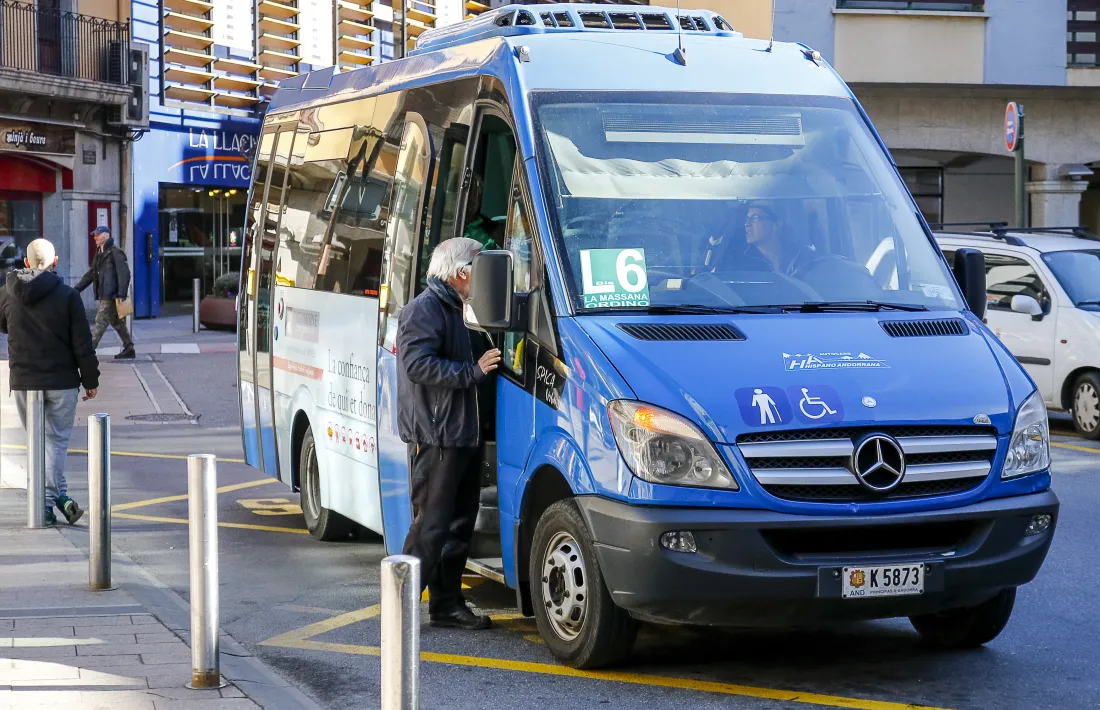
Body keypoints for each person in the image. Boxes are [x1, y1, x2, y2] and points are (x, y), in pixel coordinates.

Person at [396, 237, 501, 631]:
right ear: (461, 273)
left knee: (458, 523)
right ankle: (400, 606)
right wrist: (471, 371)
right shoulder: (424, 310)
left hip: (462, 433)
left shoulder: (466, 309)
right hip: (438, 436)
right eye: (480, 266)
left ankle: (446, 605)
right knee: (430, 527)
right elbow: (417, 365)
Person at [0, 239, 99, 526]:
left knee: (39, 442)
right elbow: (83, 343)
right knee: (54, 442)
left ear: (27, 262)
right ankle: (47, 502)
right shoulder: (68, 296)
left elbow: (3, 323)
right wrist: (90, 379)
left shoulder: (8, 292)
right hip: (61, 381)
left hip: (23, 381)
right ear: (55, 262)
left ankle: (60, 497)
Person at [76, 225, 135, 359]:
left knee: (100, 320)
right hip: (105, 293)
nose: (95, 237)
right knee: (116, 321)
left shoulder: (115, 252)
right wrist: (77, 289)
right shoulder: (99, 252)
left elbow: (124, 273)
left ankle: (87, 353)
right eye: (94, 235)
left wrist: (121, 293)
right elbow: (91, 274)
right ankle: (129, 347)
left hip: (112, 294)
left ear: (107, 236)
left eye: (98, 234)